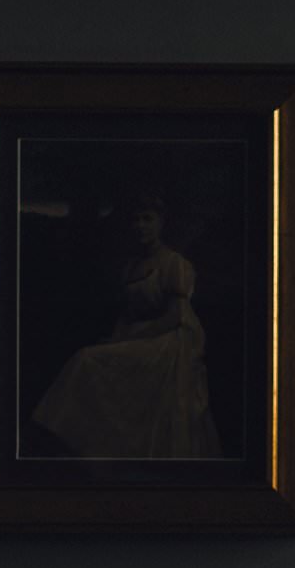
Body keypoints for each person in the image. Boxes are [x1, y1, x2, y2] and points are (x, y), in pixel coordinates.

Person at [30, 192, 222, 459]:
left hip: (173, 341)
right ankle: (69, 441)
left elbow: (174, 317)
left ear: (161, 223)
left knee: (88, 360)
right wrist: (116, 338)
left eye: (147, 219)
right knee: (91, 358)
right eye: (136, 220)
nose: (141, 226)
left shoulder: (174, 264)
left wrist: (128, 341)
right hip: (144, 336)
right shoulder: (132, 267)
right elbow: (129, 315)